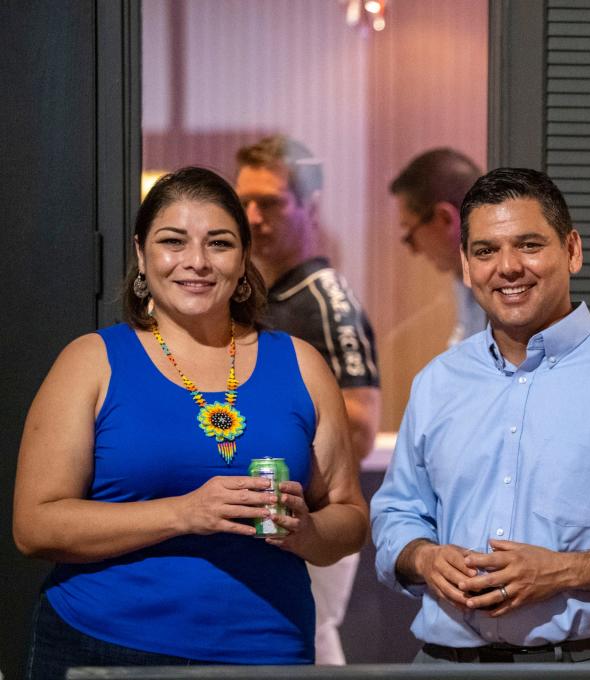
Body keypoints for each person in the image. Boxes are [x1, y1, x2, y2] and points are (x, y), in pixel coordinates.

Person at [13, 167, 368, 676]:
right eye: (173, 241)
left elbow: (351, 516)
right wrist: (185, 513)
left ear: (244, 259)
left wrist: (306, 531)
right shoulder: (91, 361)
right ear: (142, 253)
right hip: (102, 647)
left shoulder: (300, 363)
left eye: (218, 243)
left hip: (267, 651)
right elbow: (34, 526)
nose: (196, 262)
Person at [371, 167, 590, 664]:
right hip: (443, 662)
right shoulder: (437, 382)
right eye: (486, 251)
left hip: (586, 664)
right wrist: (424, 558)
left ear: (573, 251)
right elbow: (396, 513)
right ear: (468, 266)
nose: (508, 267)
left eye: (530, 245)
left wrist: (564, 571)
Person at [235, 135, 381, 665]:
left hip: (308, 515)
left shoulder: (325, 299)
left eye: (270, 202)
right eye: (244, 202)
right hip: (271, 510)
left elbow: (361, 426)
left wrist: (291, 492)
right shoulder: (275, 297)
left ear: (307, 205)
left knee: (310, 638)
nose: (253, 217)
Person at [390, 148, 486, 346]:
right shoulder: (465, 280)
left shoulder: (503, 291)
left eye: (410, 234)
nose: (414, 250)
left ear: (445, 219)